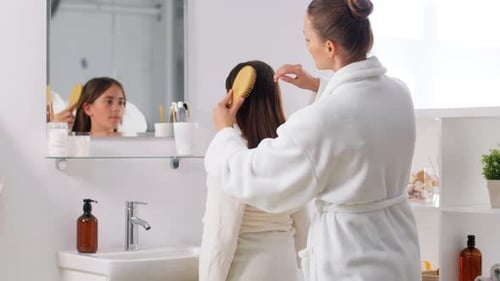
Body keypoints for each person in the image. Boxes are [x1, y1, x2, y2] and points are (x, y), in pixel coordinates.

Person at [205, 0, 421, 280]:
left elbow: (256, 176)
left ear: (329, 47)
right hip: (399, 254)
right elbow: (357, 113)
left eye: (308, 38)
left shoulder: (323, 120)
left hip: (352, 261)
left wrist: (224, 132)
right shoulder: (398, 94)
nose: (307, 46)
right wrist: (319, 85)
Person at [199, 60, 309, 281]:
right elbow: (303, 221)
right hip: (285, 266)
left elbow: (220, 233)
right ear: (275, 97)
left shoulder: (229, 155)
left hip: (248, 271)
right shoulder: (287, 150)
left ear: (233, 102)